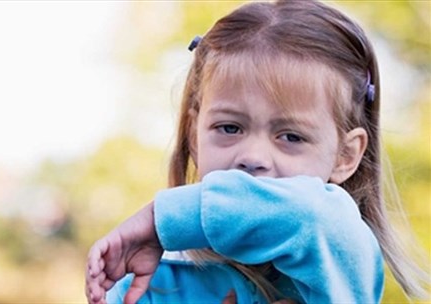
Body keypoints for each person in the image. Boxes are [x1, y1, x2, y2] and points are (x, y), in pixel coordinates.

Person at [85, 0, 429, 303]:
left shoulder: (339, 254)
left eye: (291, 137)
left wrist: (161, 219)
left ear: (346, 156)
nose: (253, 156)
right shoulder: (150, 282)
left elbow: (311, 214)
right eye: (230, 128)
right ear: (194, 134)